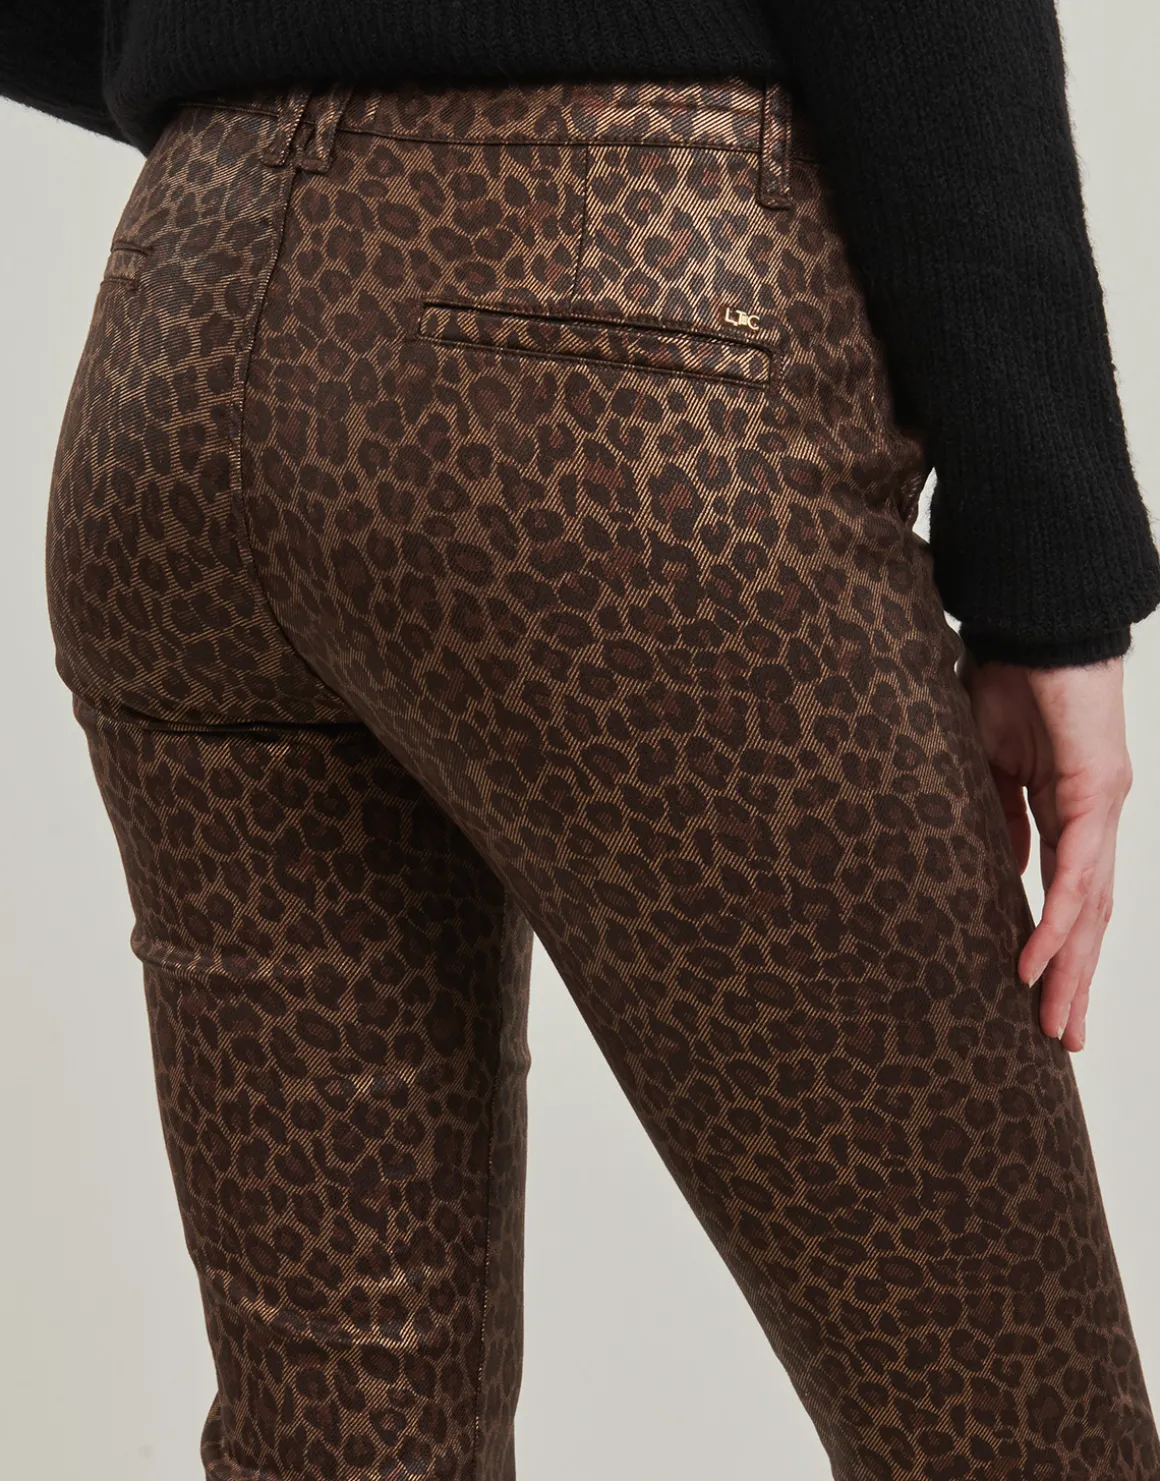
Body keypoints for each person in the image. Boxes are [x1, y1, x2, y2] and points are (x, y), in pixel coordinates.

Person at [3, 2, 1159, 1477]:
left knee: (340, 1449)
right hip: (603, 338)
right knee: (1018, 1440)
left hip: (181, 321)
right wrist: (1048, 569)